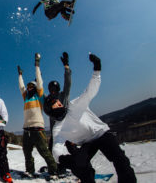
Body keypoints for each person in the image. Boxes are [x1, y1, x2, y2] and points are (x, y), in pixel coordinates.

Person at [46, 53, 137, 183]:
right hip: (87, 143)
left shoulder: (73, 104)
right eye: (55, 104)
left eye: (58, 101)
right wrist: (63, 159)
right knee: (79, 164)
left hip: (101, 133)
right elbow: (56, 147)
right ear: (50, 110)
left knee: (119, 158)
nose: (58, 102)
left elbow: (89, 91)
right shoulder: (58, 128)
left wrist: (96, 69)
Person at [17, 53, 57, 178]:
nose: (28, 88)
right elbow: (21, 87)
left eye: (31, 86)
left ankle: (53, 171)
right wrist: (20, 76)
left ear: (34, 87)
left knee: (44, 152)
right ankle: (30, 170)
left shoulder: (39, 95)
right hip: (27, 129)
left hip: (38, 128)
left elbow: (39, 81)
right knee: (27, 152)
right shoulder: (26, 97)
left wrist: (37, 65)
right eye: (28, 87)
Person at [44, 52, 72, 151]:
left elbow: (67, 83)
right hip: (54, 132)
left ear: (58, 88)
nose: (53, 91)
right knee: (53, 152)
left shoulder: (63, 95)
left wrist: (66, 67)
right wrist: (38, 84)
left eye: (54, 89)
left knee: (70, 153)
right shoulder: (48, 99)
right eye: (51, 89)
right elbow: (40, 93)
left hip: (66, 129)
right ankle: (54, 167)